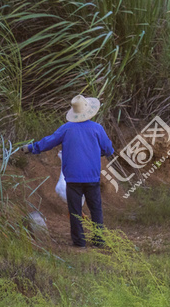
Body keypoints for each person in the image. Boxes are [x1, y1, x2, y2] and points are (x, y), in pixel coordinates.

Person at [21, 95, 115, 247]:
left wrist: (30, 148)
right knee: (96, 208)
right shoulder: (97, 128)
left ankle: (79, 242)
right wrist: (101, 152)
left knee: (75, 211)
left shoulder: (66, 129)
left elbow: (48, 142)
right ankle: (98, 240)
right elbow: (109, 149)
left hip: (72, 178)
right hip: (92, 177)